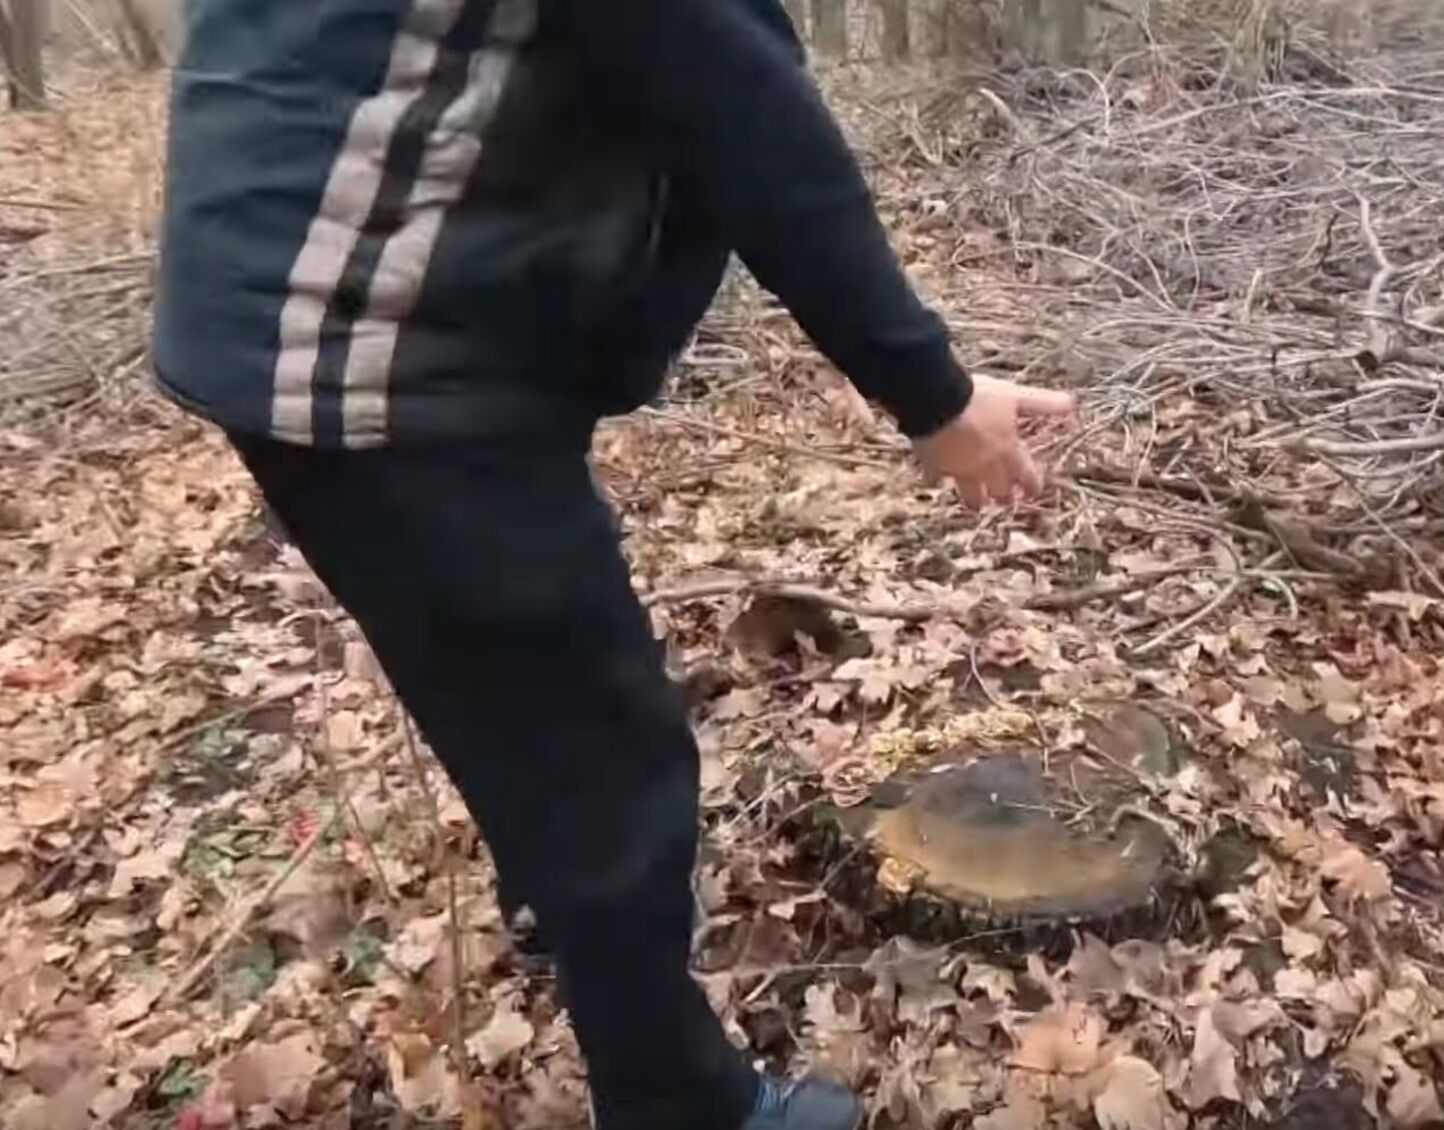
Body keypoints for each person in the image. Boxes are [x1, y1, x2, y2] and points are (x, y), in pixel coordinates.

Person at [150, 3, 1074, 1128]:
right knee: (610, 765)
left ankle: (558, 900)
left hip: (313, 320)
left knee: (514, 681)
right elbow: (744, 119)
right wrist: (933, 395)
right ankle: (681, 1099)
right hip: (370, 348)